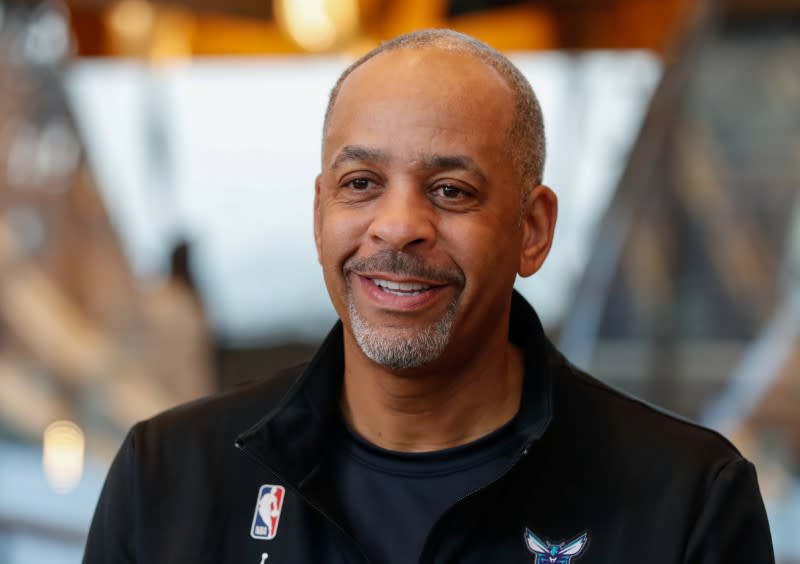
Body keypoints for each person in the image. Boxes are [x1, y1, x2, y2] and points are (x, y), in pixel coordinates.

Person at [83, 29, 774, 563]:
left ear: (531, 231)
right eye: (360, 184)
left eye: (451, 191)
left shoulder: (688, 501)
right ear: (320, 213)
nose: (399, 227)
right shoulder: (168, 478)